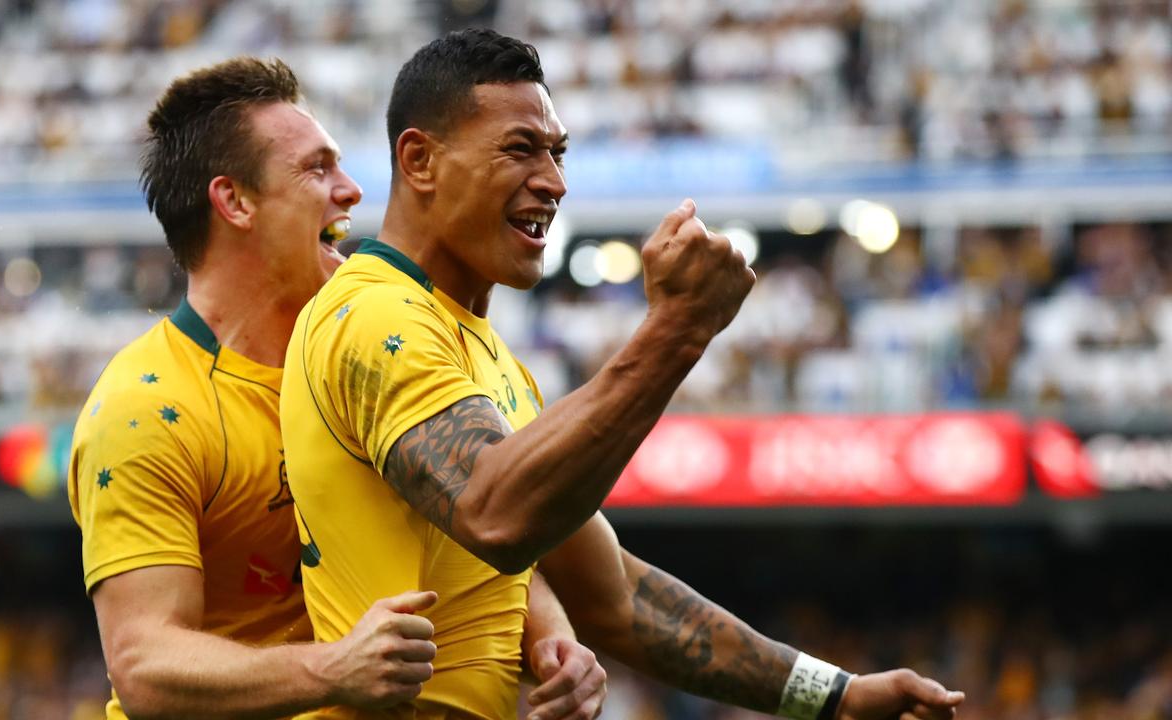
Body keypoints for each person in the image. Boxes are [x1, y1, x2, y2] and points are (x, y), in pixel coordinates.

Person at [280, 28, 966, 720]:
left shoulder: (492, 360)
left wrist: (835, 698)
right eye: (521, 149)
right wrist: (676, 331)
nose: (554, 181)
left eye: (558, 153)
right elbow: (496, 515)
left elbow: (617, 598)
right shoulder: (372, 315)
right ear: (420, 160)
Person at [67, 56, 605, 720]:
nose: (351, 190)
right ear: (234, 200)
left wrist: (547, 634)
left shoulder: (374, 355)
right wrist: (330, 670)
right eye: (317, 169)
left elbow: (468, 534)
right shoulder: (147, 405)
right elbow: (145, 665)